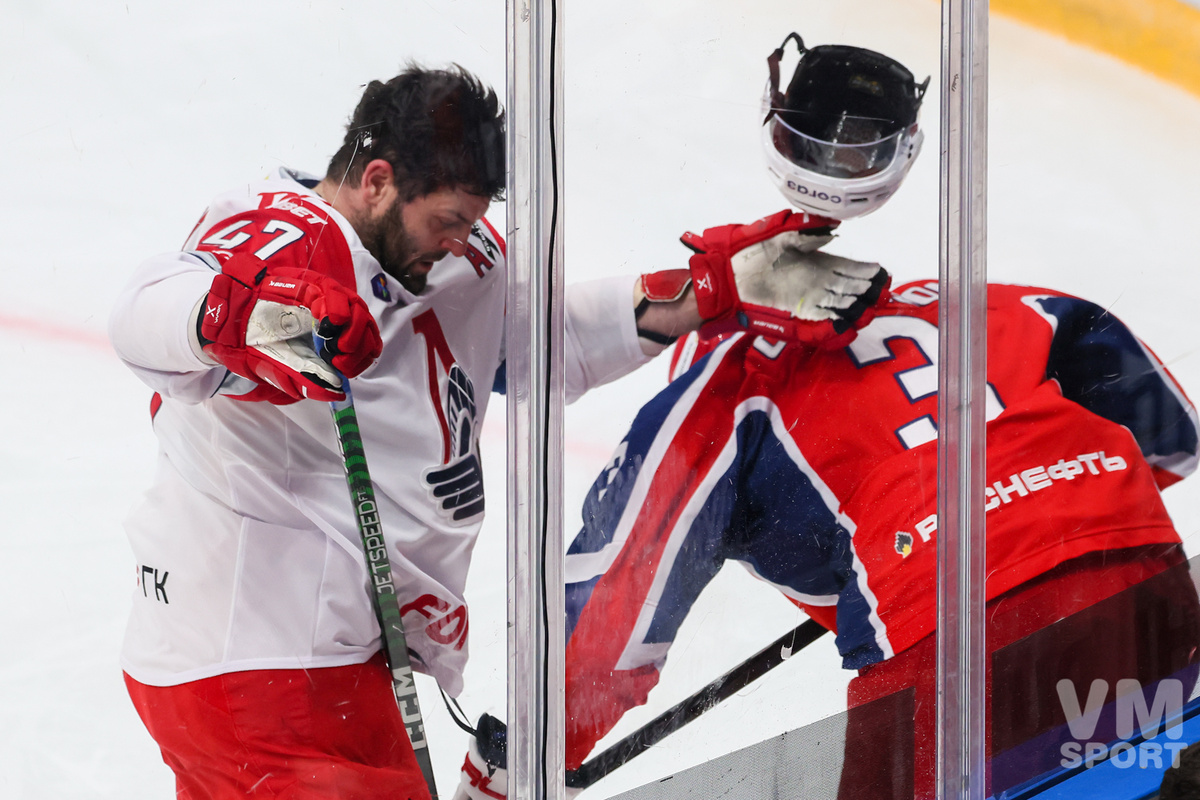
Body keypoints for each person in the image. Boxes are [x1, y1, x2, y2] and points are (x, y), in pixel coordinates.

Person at [110, 62, 887, 800]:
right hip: (247, 666)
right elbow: (145, 313)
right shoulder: (283, 238)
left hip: (341, 662)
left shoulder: (455, 253)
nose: (461, 239)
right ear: (377, 181)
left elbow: (545, 346)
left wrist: (707, 294)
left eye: (474, 220)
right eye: (447, 220)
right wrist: (234, 317)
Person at [452, 35, 1200, 800]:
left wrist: (515, 762)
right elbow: (1168, 432)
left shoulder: (728, 385)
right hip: (1139, 568)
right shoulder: (980, 303)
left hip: (950, 638)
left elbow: (619, 601)